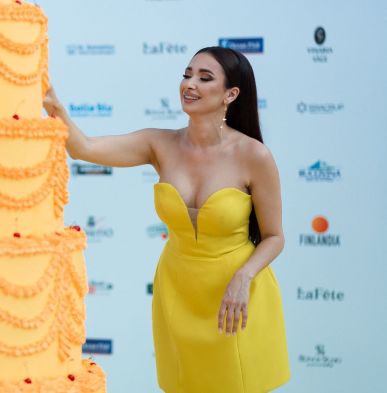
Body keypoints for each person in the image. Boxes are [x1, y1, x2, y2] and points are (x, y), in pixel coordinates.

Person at [42, 46, 291, 392]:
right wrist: (54, 106)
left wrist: (243, 278)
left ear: (231, 94)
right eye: (187, 75)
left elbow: (274, 236)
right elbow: (83, 148)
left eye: (204, 78)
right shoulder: (159, 144)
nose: (190, 84)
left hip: (235, 297)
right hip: (178, 291)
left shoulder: (254, 155)